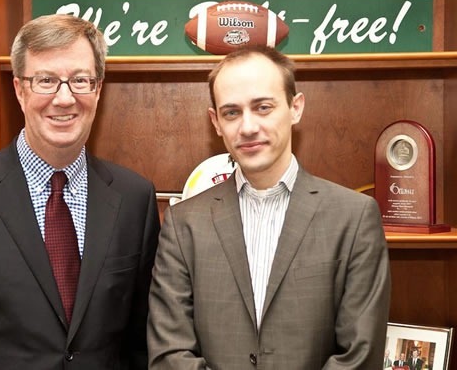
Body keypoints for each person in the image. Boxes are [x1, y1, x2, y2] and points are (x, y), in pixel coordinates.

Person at [0, 14, 160, 369]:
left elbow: (141, 346)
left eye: (80, 80)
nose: (64, 98)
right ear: (20, 90)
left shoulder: (135, 199)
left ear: (98, 89)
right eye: (46, 80)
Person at [147, 45, 391, 369]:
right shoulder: (183, 224)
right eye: (231, 112)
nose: (247, 127)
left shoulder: (354, 217)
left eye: (263, 107)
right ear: (215, 122)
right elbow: (169, 355)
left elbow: (359, 355)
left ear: (295, 107)